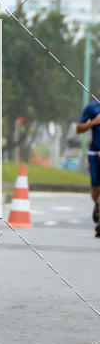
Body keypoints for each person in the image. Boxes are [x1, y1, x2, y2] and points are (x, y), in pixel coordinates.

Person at [76, 87, 100, 236]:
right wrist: (93, 123)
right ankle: (97, 204)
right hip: (95, 153)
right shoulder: (92, 107)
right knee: (95, 190)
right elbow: (79, 129)